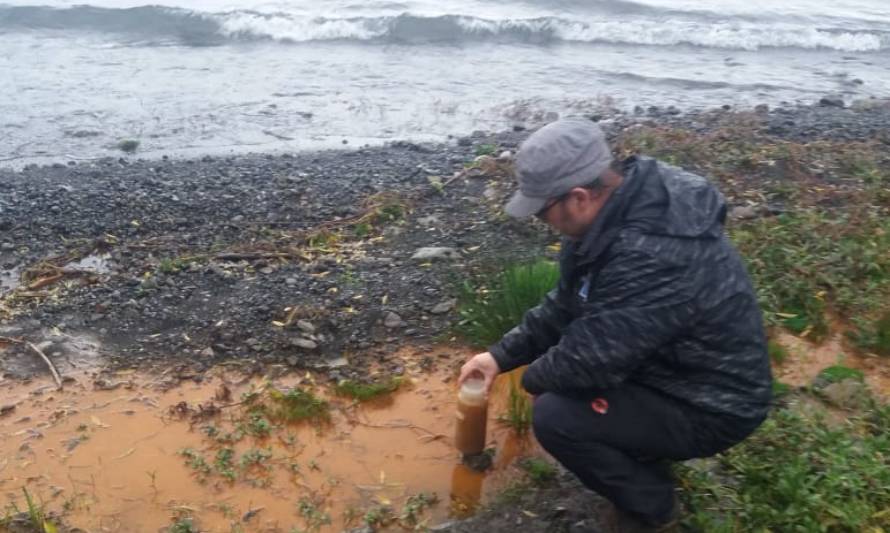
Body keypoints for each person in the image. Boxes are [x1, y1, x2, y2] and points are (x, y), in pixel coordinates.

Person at [458, 118, 772, 531]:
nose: (541, 222)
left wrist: (531, 380)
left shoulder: (653, 252)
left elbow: (589, 361)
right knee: (563, 393)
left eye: (541, 212)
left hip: (713, 402)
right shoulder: (611, 215)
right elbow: (567, 303)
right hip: (668, 366)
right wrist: (499, 356)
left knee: (556, 415)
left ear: (579, 197)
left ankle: (651, 505)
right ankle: (638, 447)